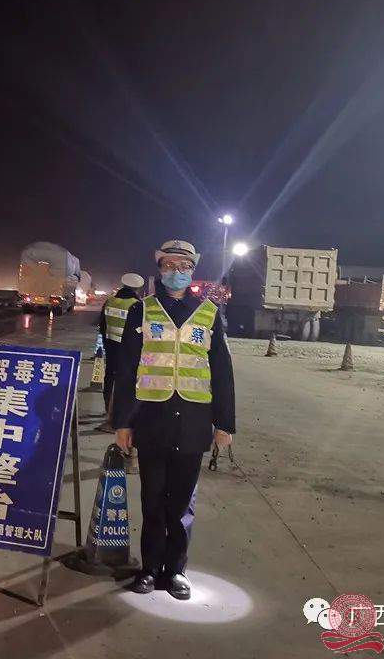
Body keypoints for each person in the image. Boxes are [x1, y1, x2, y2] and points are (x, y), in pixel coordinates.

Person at [112, 239, 235, 600]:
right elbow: (126, 369)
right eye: (169, 265)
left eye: (184, 266)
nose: (176, 271)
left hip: (194, 421)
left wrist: (224, 424)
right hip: (152, 419)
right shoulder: (142, 311)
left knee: (182, 502)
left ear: (193, 270)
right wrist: (123, 422)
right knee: (152, 498)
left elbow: (222, 371)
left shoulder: (209, 313)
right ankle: (150, 568)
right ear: (159, 268)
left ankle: (175, 570)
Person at [95, 273, 145, 433]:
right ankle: (116, 418)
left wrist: (106, 343)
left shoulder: (110, 301)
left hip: (111, 347)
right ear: (137, 289)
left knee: (109, 379)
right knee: (125, 383)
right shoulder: (137, 305)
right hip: (129, 351)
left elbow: (102, 326)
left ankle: (108, 413)